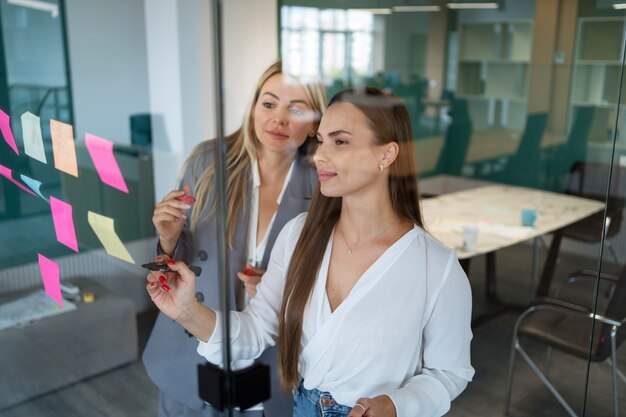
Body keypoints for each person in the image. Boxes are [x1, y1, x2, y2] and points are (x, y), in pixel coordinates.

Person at [146, 87, 474, 417]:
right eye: (321, 140)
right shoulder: (299, 235)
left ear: (387, 154)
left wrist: (395, 405)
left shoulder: (436, 266)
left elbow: (449, 373)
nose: (319, 155)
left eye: (340, 141)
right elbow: (257, 329)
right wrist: (186, 310)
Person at [142, 60, 327, 417]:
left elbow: (334, 278)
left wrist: (284, 293)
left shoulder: (324, 184)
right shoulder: (208, 163)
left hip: (274, 366)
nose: (279, 119)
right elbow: (173, 270)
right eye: (269, 103)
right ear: (254, 106)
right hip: (190, 357)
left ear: (316, 123)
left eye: (297, 108)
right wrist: (167, 239)